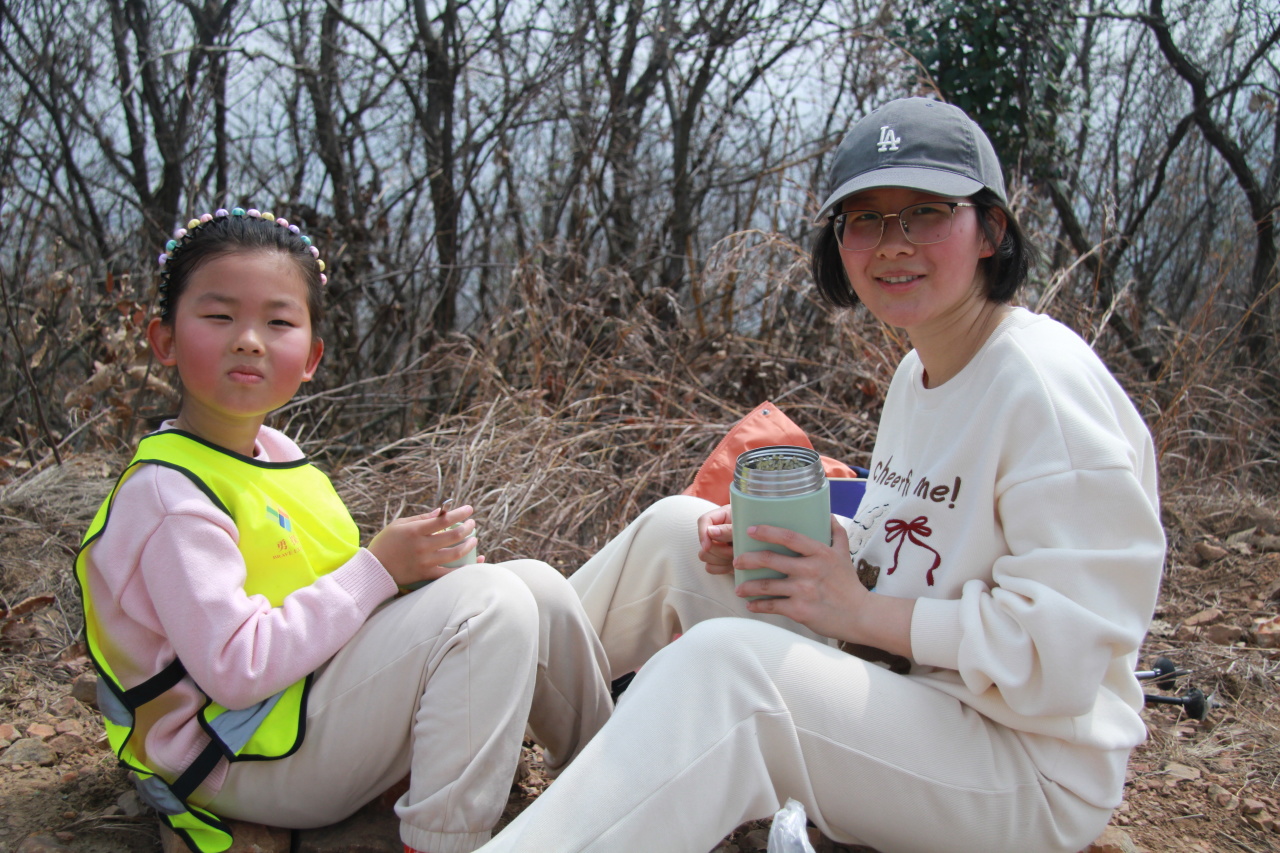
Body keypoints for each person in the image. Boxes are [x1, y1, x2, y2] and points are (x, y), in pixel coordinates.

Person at [477, 98, 1166, 853]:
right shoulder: (920, 372)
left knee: (728, 673)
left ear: (992, 230)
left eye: (926, 213)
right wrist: (814, 543)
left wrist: (857, 611)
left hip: (1022, 767)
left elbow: (1060, 659)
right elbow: (922, 543)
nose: (892, 244)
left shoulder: (1043, 386)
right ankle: (462, 699)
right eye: (865, 220)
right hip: (914, 694)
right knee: (677, 532)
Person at [73, 208, 612, 853]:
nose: (249, 340)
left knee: (534, 585)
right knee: (489, 604)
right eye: (219, 316)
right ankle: (443, 843)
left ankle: (615, 783)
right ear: (164, 340)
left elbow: (324, 598)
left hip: (302, 709)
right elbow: (237, 671)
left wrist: (415, 581)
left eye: (278, 322)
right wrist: (379, 570)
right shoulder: (170, 495)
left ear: (311, 357)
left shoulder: (276, 455)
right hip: (235, 756)